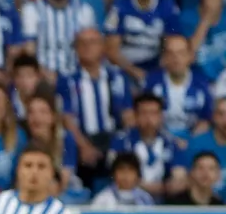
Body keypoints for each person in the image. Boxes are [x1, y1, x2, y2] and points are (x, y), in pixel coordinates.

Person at [56, 26, 134, 183]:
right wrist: (84, 146)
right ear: (76, 49)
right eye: (82, 43)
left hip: (112, 140)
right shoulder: (67, 79)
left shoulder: (117, 77)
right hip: (82, 141)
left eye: (93, 42)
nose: (87, 47)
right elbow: (66, 117)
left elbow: (128, 116)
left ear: (103, 46)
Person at [103, 0, 178, 85]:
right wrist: (135, 72)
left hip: (155, 66)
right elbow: (111, 50)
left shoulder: (167, 5)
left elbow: (173, 43)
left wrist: (154, 75)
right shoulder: (120, 5)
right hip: (125, 67)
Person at [21, 0, 96, 79]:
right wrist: (45, 75)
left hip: (78, 78)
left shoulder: (84, 10)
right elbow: (29, 51)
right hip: (43, 77)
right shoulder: (32, 10)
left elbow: (90, 49)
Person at [107, 91, 180, 200]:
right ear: (135, 116)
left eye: (153, 113)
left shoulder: (171, 142)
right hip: (128, 200)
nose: (148, 118)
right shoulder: (120, 141)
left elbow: (179, 180)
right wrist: (161, 188)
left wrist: (143, 186)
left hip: (164, 203)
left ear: (161, 116)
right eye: (144, 113)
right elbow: (118, 177)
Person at [144, 35, 214, 138]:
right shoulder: (152, 82)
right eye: (170, 53)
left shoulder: (202, 82)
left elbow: (208, 118)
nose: (176, 58)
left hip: (192, 140)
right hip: (161, 139)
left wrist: (193, 138)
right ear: (164, 57)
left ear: (190, 56)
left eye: (181, 53)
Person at [22, 92, 81, 196]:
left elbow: (63, 181)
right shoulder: (23, 140)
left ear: (53, 117)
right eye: (31, 112)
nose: (36, 117)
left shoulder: (66, 140)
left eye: (43, 112)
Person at [92, 149, 157, 206]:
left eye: (130, 170)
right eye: (121, 170)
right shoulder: (102, 199)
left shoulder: (145, 199)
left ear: (137, 175)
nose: (126, 175)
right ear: (113, 174)